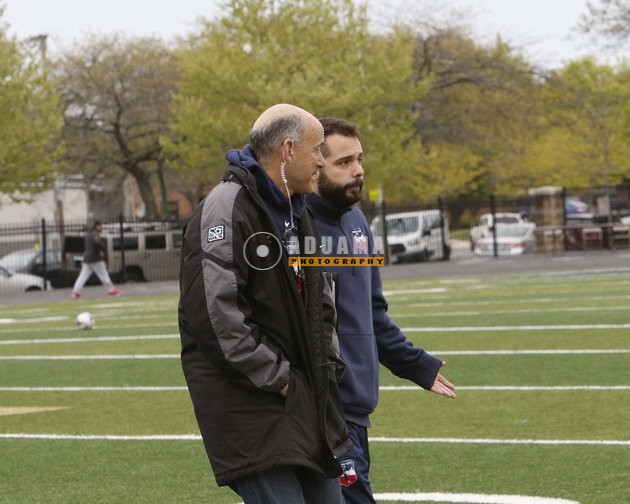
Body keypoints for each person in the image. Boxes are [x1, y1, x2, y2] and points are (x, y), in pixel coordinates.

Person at [178, 104, 352, 504]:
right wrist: (281, 379)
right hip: (253, 405)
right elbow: (216, 317)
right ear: (288, 150)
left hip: (302, 397)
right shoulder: (225, 208)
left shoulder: (298, 209)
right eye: (318, 150)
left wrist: (326, 366)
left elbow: (321, 301)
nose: (322, 161)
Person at [306, 117, 457, 504]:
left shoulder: (358, 222)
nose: (358, 170)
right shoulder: (293, 229)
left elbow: (371, 311)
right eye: (344, 162)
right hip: (321, 411)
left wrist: (413, 363)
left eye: (359, 159)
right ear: (314, 166)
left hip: (356, 408)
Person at [70, 221, 121, 299]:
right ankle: (111, 291)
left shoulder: (88, 235)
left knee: (83, 276)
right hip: (95, 258)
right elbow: (97, 242)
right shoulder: (95, 234)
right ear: (96, 226)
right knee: (103, 274)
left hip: (87, 259)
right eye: (100, 226)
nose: (101, 228)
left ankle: (75, 292)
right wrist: (102, 250)